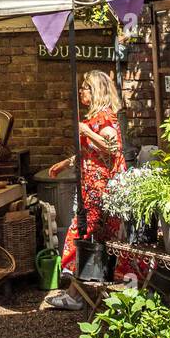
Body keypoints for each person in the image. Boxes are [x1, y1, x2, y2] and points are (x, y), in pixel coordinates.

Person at [47, 70, 128, 310]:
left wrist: (86, 131)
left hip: (101, 191)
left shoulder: (105, 118)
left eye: (85, 87)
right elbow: (92, 151)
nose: (81, 91)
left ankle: (77, 294)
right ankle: (79, 293)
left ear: (96, 92)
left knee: (80, 234)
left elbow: (113, 147)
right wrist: (66, 163)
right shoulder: (95, 118)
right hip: (92, 187)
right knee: (96, 239)